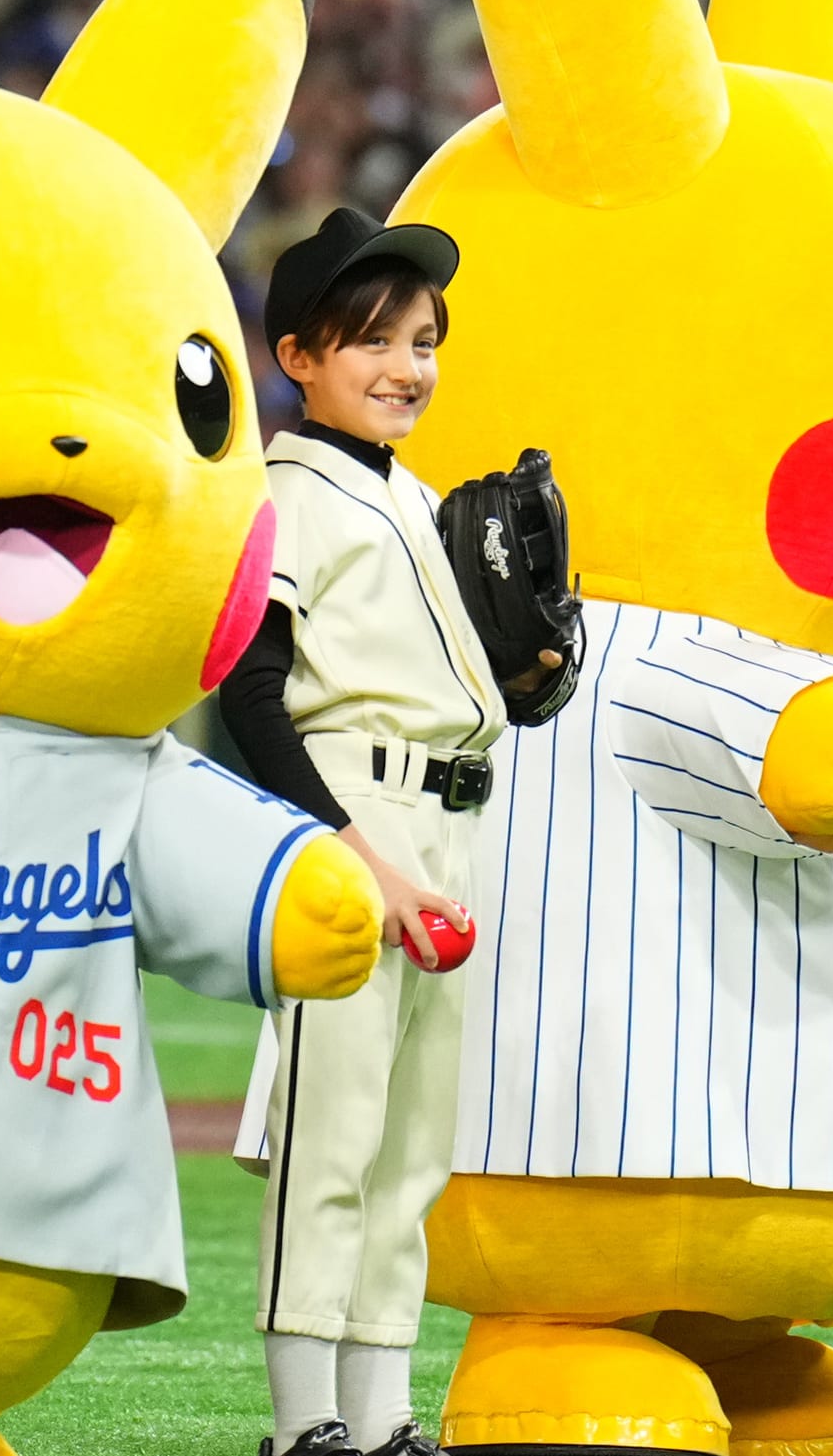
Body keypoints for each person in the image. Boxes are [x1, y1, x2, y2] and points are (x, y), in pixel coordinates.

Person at [219, 206, 513, 1456]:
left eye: (426, 340)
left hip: (443, 816)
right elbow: (247, 691)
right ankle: (304, 1429)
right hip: (353, 814)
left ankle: (382, 1420)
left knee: (409, 1151)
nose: (408, 366)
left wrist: (535, 657)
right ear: (298, 357)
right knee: (328, 1139)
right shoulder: (285, 490)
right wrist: (346, 850)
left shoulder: (420, 498)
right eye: (374, 341)